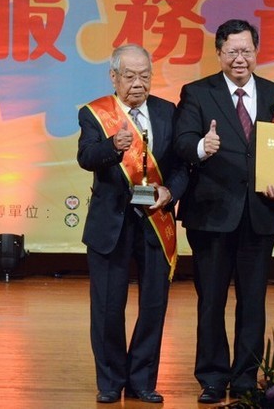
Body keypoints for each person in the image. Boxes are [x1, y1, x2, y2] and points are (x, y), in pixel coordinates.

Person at [174, 19, 274, 404]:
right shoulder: (197, 92)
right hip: (211, 213)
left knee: (253, 301)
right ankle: (211, 377)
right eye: (232, 51)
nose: (240, 58)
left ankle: (244, 377)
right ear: (219, 52)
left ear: (256, 52)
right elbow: (182, 141)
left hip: (258, 213)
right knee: (211, 300)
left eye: (247, 51)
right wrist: (202, 147)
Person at [77, 44, 188, 404]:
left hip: (155, 221)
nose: (138, 83)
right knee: (108, 307)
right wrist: (113, 145)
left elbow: (182, 166)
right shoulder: (94, 114)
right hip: (111, 225)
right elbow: (86, 157)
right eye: (130, 76)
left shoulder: (168, 112)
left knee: (154, 305)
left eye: (145, 76)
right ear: (114, 77)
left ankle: (142, 381)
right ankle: (110, 381)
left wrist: (170, 191)